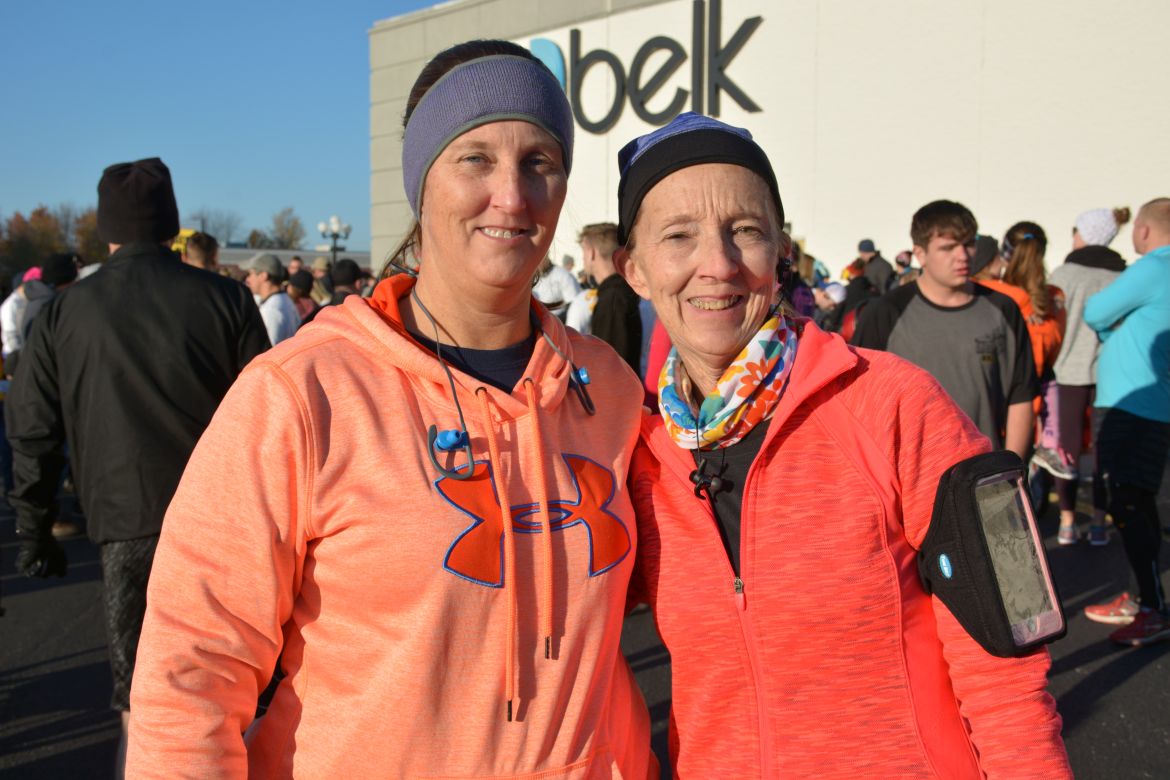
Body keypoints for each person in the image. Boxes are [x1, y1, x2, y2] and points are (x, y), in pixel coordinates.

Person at [127, 40, 654, 779]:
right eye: (475, 159)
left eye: (539, 161)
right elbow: (192, 673)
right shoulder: (303, 393)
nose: (512, 195)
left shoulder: (608, 388)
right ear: (423, 182)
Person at [614, 112, 1069, 778]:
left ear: (781, 252)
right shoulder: (637, 452)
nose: (718, 265)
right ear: (634, 269)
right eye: (679, 235)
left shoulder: (896, 401)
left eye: (746, 231)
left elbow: (1011, 658)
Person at [7, 157, 269, 776]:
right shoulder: (226, 298)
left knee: (139, 697)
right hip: (223, 525)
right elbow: (269, 416)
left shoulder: (67, 311)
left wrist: (33, 527)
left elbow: (33, 428)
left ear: (107, 229)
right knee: (233, 684)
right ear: (171, 223)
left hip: (123, 520)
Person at [852, 201, 1038, 459]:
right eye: (948, 247)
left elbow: (1021, 396)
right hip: (906, 472)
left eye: (969, 244)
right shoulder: (885, 312)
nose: (962, 255)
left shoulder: (1003, 310)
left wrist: (1010, 468)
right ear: (920, 254)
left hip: (984, 471)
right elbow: (858, 400)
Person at [1080, 198, 1170, 646]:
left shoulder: (1154, 267)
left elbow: (1095, 311)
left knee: (1129, 504)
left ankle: (1152, 608)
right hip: (1151, 406)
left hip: (1131, 408)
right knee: (1139, 502)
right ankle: (1142, 598)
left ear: (1145, 230)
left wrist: (1112, 328)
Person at [1046, 207, 1129, 546]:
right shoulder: (1122, 275)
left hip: (1067, 370)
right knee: (1102, 452)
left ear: (1085, 234)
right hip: (1109, 372)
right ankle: (1097, 522)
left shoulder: (1065, 273)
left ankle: (1067, 521)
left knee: (1064, 451)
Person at [576, 222, 641, 372]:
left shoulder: (612, 298)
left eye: (583, 252)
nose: (583, 259)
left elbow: (609, 363)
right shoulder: (623, 291)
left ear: (591, 253)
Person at [244, 252, 299, 345]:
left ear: (263, 276)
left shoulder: (271, 311)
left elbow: (268, 350)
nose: (247, 279)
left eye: (250, 274)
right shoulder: (285, 300)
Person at [532, 254, 581, 321]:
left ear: (546, 256)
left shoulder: (562, 275)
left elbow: (574, 305)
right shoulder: (531, 279)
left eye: (540, 257)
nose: (537, 262)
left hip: (560, 322)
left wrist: (556, 322)